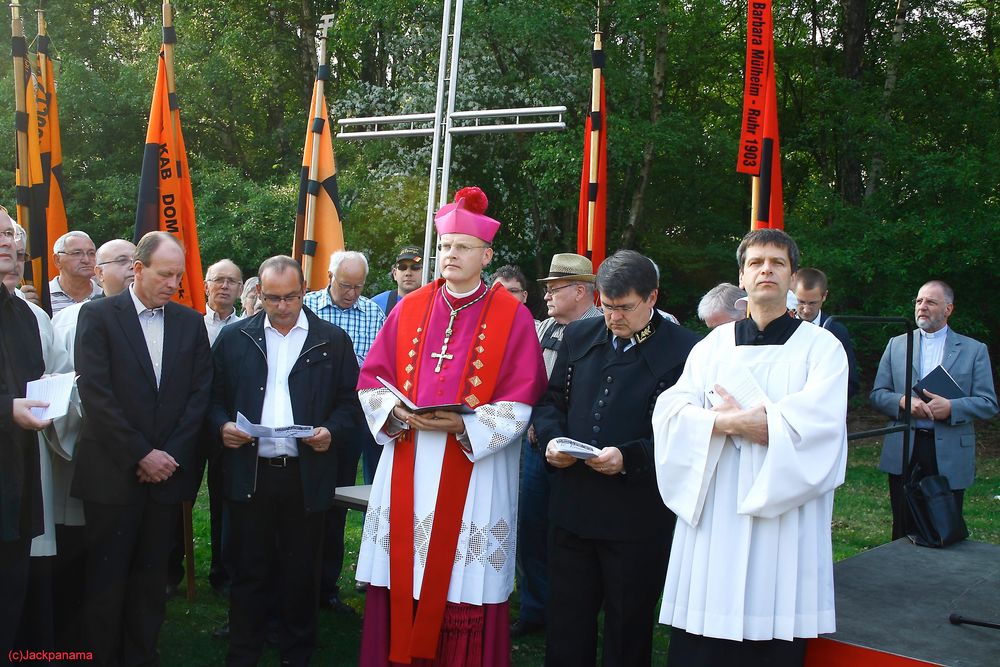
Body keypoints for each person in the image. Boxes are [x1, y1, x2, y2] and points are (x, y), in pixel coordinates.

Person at [355, 186, 547, 665]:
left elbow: (523, 398)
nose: (450, 255)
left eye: (461, 247)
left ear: (486, 254)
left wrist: (463, 427)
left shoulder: (513, 316)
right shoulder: (410, 306)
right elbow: (372, 378)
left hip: (472, 463)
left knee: (462, 575)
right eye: (444, 246)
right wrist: (393, 411)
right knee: (402, 568)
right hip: (409, 457)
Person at [652, 229, 848, 667]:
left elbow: (823, 424)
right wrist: (727, 422)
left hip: (781, 511)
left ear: (792, 276)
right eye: (756, 262)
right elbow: (670, 411)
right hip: (718, 504)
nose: (766, 270)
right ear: (741, 277)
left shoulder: (822, 349)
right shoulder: (712, 347)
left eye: (777, 263)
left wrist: (767, 426)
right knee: (707, 627)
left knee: (771, 615)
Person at [533, 250, 698, 666]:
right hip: (572, 504)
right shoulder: (578, 336)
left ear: (652, 297)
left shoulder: (688, 351)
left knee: (628, 626)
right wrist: (552, 441)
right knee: (568, 619)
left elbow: (687, 432)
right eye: (607, 306)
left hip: (636, 514)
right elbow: (551, 402)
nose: (614, 318)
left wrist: (629, 457)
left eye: (625, 308)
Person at [209, 255, 362, 666]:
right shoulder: (237, 336)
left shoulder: (330, 340)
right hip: (251, 471)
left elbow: (352, 403)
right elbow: (212, 399)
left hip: (304, 474)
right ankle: (244, 651)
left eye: (290, 297)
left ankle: (297, 653)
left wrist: (331, 429)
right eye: (272, 298)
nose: (281, 307)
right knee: (249, 569)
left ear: (304, 289)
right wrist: (222, 424)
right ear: (257, 292)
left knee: (301, 572)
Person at [73, 231, 212, 666]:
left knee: (152, 580)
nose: (173, 283)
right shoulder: (98, 317)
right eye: (165, 274)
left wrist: (166, 456)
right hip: (112, 475)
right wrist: (140, 454)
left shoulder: (190, 323)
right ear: (138, 268)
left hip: (165, 478)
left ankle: (141, 655)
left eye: (178, 275)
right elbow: (96, 395)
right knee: (106, 577)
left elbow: (199, 396)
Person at [48, 238, 136, 650]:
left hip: (140, 459)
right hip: (89, 451)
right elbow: (66, 385)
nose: (132, 268)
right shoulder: (73, 320)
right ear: (99, 273)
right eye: (120, 261)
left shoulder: (155, 317)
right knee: (83, 551)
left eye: (135, 260)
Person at [510, 252, 601, 639]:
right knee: (531, 526)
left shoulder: (603, 329)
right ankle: (536, 608)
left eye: (554, 288)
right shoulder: (543, 328)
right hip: (535, 447)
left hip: (580, 453)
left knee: (572, 533)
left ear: (580, 291)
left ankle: (571, 612)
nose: (545, 295)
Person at [870, 280, 997, 539]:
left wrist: (952, 407)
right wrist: (903, 402)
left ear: (948, 309)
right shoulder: (896, 344)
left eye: (931, 302)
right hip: (906, 444)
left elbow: (988, 403)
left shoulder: (974, 350)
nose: (922, 307)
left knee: (944, 527)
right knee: (903, 526)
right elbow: (877, 395)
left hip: (949, 448)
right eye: (919, 301)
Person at [304, 250, 386, 612]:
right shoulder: (306, 307)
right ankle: (292, 582)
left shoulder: (373, 313)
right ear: (329, 276)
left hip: (348, 421)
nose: (352, 293)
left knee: (335, 504)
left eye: (359, 286)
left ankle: (326, 586)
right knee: (299, 504)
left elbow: (384, 367)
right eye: (345, 285)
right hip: (304, 421)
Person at [0, 210, 51, 658]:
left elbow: (31, 384)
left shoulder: (23, 315)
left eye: (8, 233)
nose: (6, 241)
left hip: (14, 485)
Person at [793, 267, 859, 397]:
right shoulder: (781, 326)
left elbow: (851, 382)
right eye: (801, 302)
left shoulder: (836, 332)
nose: (806, 310)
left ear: (824, 296)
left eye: (812, 303)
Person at [49, 230, 103, 315]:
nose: (86, 260)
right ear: (57, 260)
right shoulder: (42, 297)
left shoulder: (105, 296)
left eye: (91, 253)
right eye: (77, 253)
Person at [371, 245, 423, 316]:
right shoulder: (376, 305)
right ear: (395, 273)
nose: (408, 273)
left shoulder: (435, 305)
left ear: (426, 272)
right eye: (402, 267)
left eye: (415, 267)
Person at [204, 259, 244, 346]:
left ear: (240, 290)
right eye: (219, 280)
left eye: (231, 281)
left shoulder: (246, 329)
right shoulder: (191, 324)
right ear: (206, 287)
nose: (225, 286)